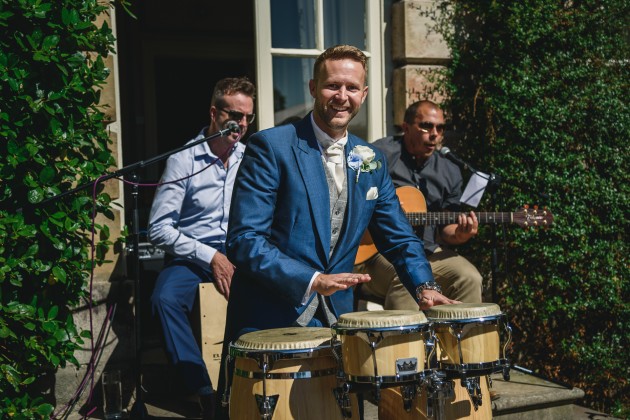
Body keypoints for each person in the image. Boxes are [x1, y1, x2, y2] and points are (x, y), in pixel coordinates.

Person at [216, 46, 458, 415]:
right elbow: (244, 241)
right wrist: (312, 279)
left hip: (337, 329)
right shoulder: (271, 146)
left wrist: (425, 288)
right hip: (270, 324)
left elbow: (398, 236)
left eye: (351, 87)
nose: (341, 97)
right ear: (313, 87)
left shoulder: (371, 159)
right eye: (332, 86)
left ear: (363, 94)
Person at [147, 77, 255, 419]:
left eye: (248, 117)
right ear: (214, 112)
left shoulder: (249, 158)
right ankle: (201, 389)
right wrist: (211, 256)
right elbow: (158, 229)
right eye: (234, 114)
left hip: (241, 251)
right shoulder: (184, 160)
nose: (241, 123)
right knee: (163, 299)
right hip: (193, 256)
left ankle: (253, 385)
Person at [354, 100, 483, 310]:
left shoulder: (450, 171)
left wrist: (460, 234)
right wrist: (386, 208)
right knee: (406, 277)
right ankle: (403, 342)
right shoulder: (380, 154)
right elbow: (351, 193)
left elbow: (446, 229)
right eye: (426, 126)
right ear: (405, 127)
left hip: (429, 251)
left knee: (469, 277)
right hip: (379, 251)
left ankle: (457, 341)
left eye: (440, 128)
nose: (434, 134)